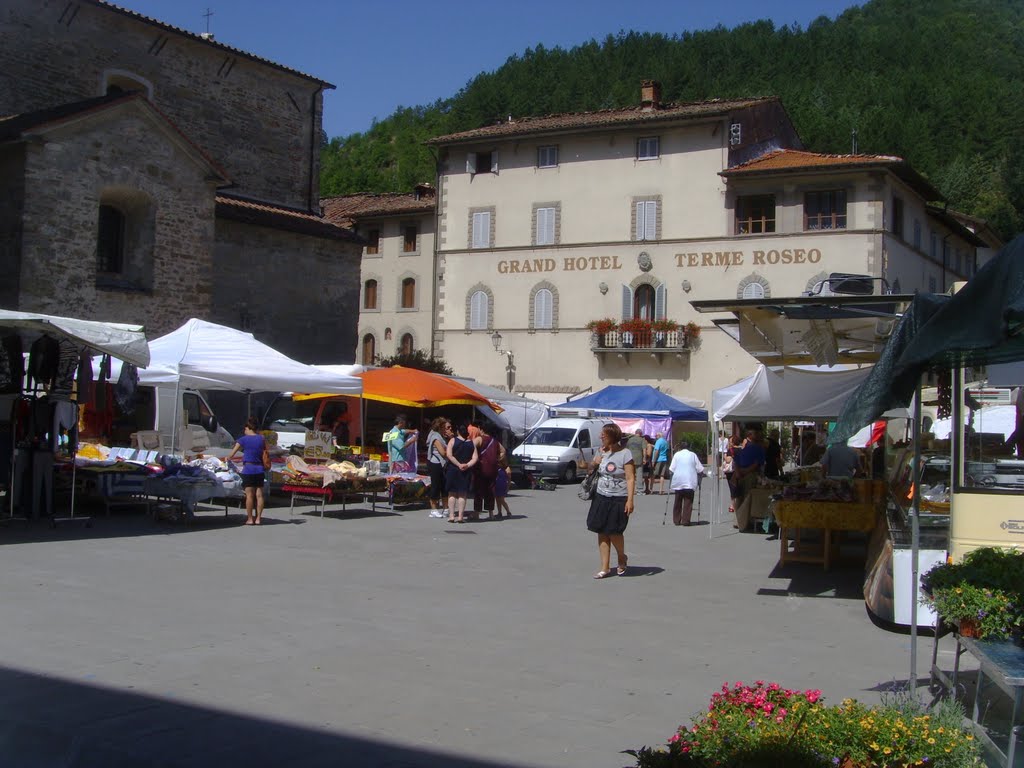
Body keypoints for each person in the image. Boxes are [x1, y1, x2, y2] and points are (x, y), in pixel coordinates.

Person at [586, 423, 635, 579]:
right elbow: (590, 469)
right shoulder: (600, 451)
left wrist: (630, 500)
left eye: (604, 435)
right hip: (601, 496)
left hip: (619, 498)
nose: (601, 436)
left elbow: (630, 478)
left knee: (614, 532)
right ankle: (605, 567)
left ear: (612, 437)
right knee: (601, 531)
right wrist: (594, 463)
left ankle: (621, 556)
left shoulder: (625, 454)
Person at [225, 417, 267, 526]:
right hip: (260, 469)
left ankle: (249, 519)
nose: (244, 431)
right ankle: (258, 518)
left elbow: (231, 455)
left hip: (248, 469)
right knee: (259, 495)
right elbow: (266, 452)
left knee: (249, 496)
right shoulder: (261, 438)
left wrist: (227, 458)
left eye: (245, 429)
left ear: (248, 428)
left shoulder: (243, 439)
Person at [445, 422, 478, 523]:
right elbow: (475, 458)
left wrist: (458, 464)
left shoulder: (452, 440)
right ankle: (460, 516)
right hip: (465, 471)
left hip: (453, 469)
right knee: (462, 494)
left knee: (451, 493)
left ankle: (451, 516)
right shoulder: (471, 443)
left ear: (457, 431)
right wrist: (467, 465)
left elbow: (449, 455)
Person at [668, 439, 705, 526]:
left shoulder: (677, 454)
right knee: (688, 501)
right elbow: (700, 469)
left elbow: (671, 469)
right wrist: (700, 478)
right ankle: (685, 520)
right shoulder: (693, 455)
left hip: (678, 480)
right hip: (689, 480)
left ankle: (676, 520)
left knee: (677, 500)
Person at [471, 420, 500, 520]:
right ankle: (491, 514)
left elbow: (471, 446)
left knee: (478, 490)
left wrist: (475, 457)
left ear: (480, 429)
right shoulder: (495, 441)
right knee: (490, 490)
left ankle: (476, 513)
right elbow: (503, 452)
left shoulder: (480, 439)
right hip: (492, 469)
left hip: (480, 468)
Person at [425, 417, 451, 518]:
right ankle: (434, 509)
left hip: (443, 464)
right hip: (435, 463)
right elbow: (443, 452)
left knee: (444, 486)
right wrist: (451, 446)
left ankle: (446, 508)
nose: (448, 429)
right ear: (440, 427)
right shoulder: (435, 436)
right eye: (446, 427)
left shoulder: (442, 436)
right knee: (436, 486)